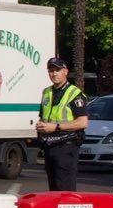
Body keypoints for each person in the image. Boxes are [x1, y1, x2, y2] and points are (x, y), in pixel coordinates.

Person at [35, 56, 88, 191]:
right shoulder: (47, 92)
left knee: (65, 189)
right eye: (51, 71)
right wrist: (41, 126)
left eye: (57, 70)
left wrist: (56, 127)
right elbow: (44, 116)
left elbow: (83, 122)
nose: (54, 74)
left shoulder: (74, 93)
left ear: (65, 71)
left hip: (66, 146)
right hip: (49, 145)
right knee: (53, 189)